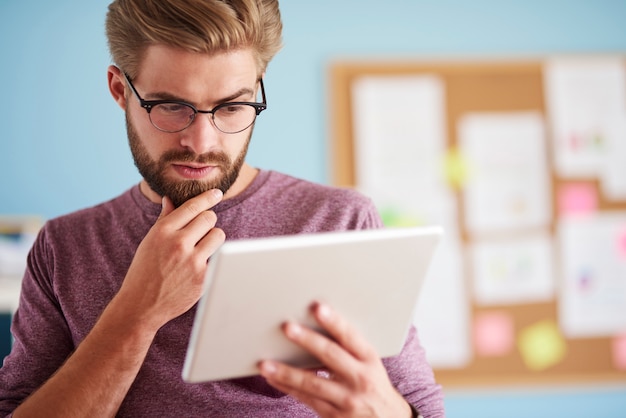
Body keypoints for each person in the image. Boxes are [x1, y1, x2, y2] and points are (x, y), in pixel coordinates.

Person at [0, 1, 445, 416]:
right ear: (120, 89)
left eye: (232, 107)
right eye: (171, 106)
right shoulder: (64, 247)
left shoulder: (340, 222)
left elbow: (420, 405)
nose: (202, 143)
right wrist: (136, 313)